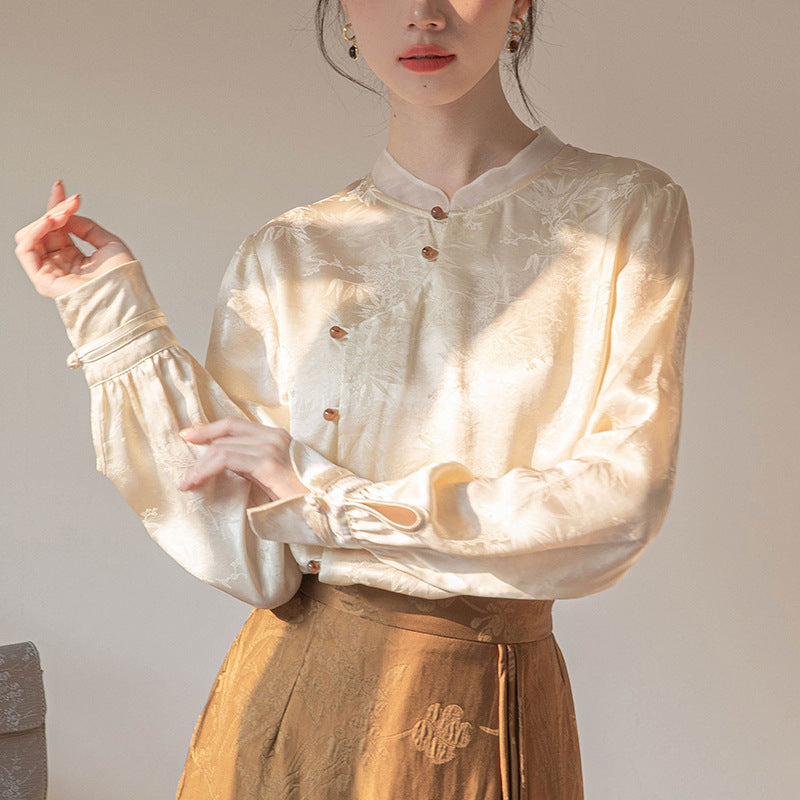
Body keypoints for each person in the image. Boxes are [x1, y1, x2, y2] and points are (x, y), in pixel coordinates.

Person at [13, 0, 694, 797]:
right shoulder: (288, 251)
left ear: (518, 5)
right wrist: (109, 312)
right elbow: (251, 555)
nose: (423, 14)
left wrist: (330, 502)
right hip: (283, 710)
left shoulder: (623, 211)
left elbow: (619, 503)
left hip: (476, 713)